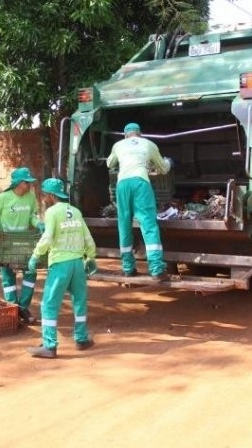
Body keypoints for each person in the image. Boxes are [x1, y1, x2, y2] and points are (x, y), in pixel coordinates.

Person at [26, 178, 97, 359]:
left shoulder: (52, 213)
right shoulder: (76, 212)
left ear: (51, 195)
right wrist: (90, 257)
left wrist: (35, 255)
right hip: (78, 264)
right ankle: (81, 339)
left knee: (49, 304)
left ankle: (49, 345)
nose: (43, 198)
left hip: (60, 264)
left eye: (44, 194)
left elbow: (48, 237)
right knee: (79, 301)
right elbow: (87, 237)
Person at [106, 122, 172, 280]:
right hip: (141, 183)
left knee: (124, 224)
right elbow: (162, 168)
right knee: (148, 224)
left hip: (122, 185)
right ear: (140, 133)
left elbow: (109, 164)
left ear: (125, 135)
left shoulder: (118, 145)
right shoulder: (149, 144)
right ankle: (156, 269)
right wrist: (169, 162)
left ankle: (128, 268)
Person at [0, 167, 42, 324]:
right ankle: (12, 307)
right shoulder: (2, 198)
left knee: (30, 272)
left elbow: (33, 215)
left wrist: (38, 223)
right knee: (7, 274)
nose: (30, 185)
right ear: (18, 183)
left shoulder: (31, 196)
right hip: (6, 242)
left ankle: (23, 307)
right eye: (27, 182)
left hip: (24, 241)